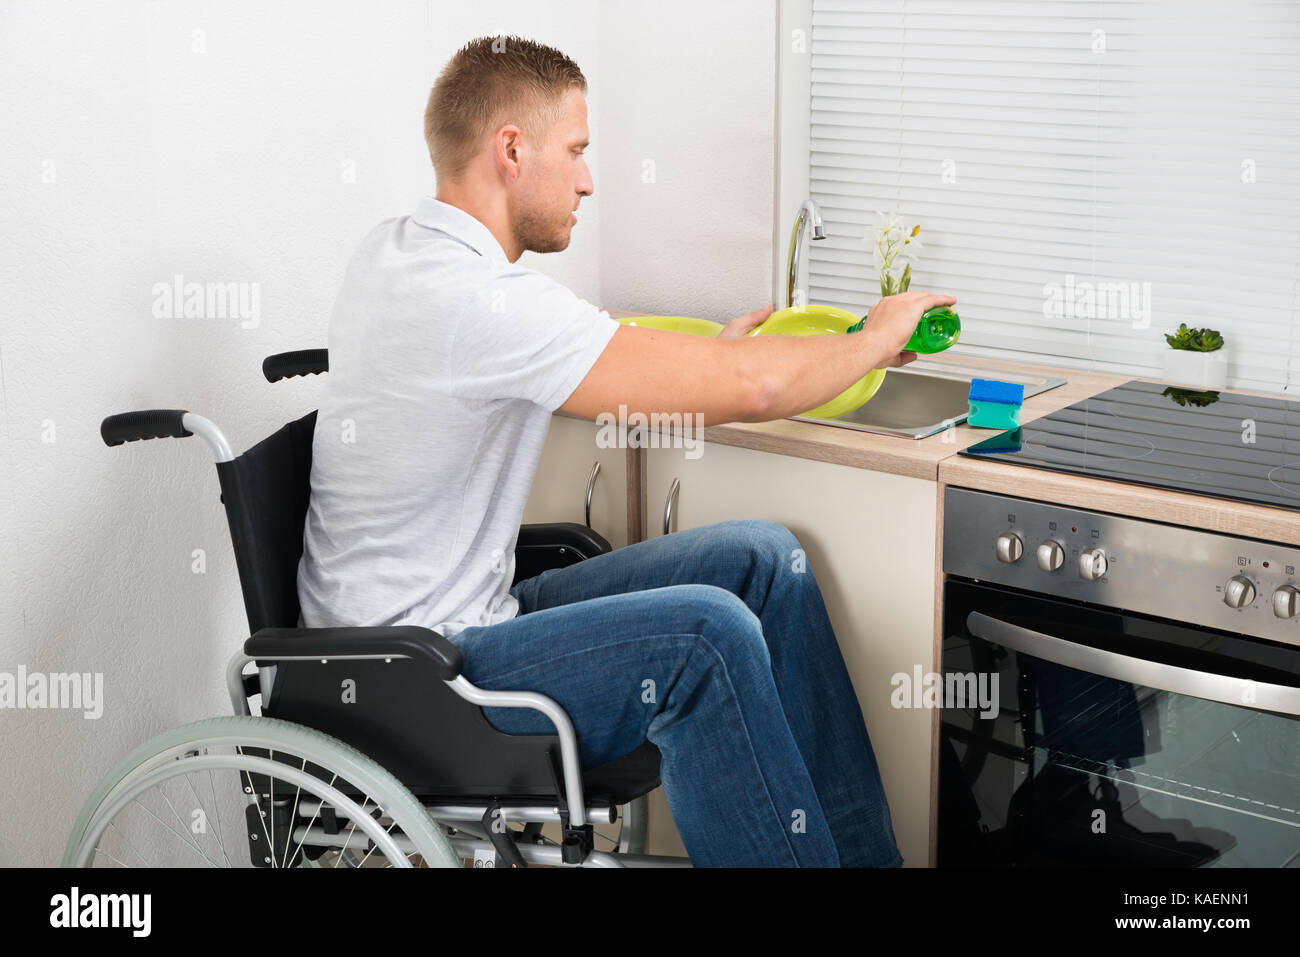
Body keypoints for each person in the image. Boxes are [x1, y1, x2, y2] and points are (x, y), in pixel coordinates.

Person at [297, 33, 956, 867]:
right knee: (704, 637)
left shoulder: (398, 251)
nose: (587, 178)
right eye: (574, 151)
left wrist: (706, 354)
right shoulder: (476, 301)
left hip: (462, 618)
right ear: (510, 150)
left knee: (763, 559)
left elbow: (605, 351)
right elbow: (750, 390)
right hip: (418, 673)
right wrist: (877, 337)